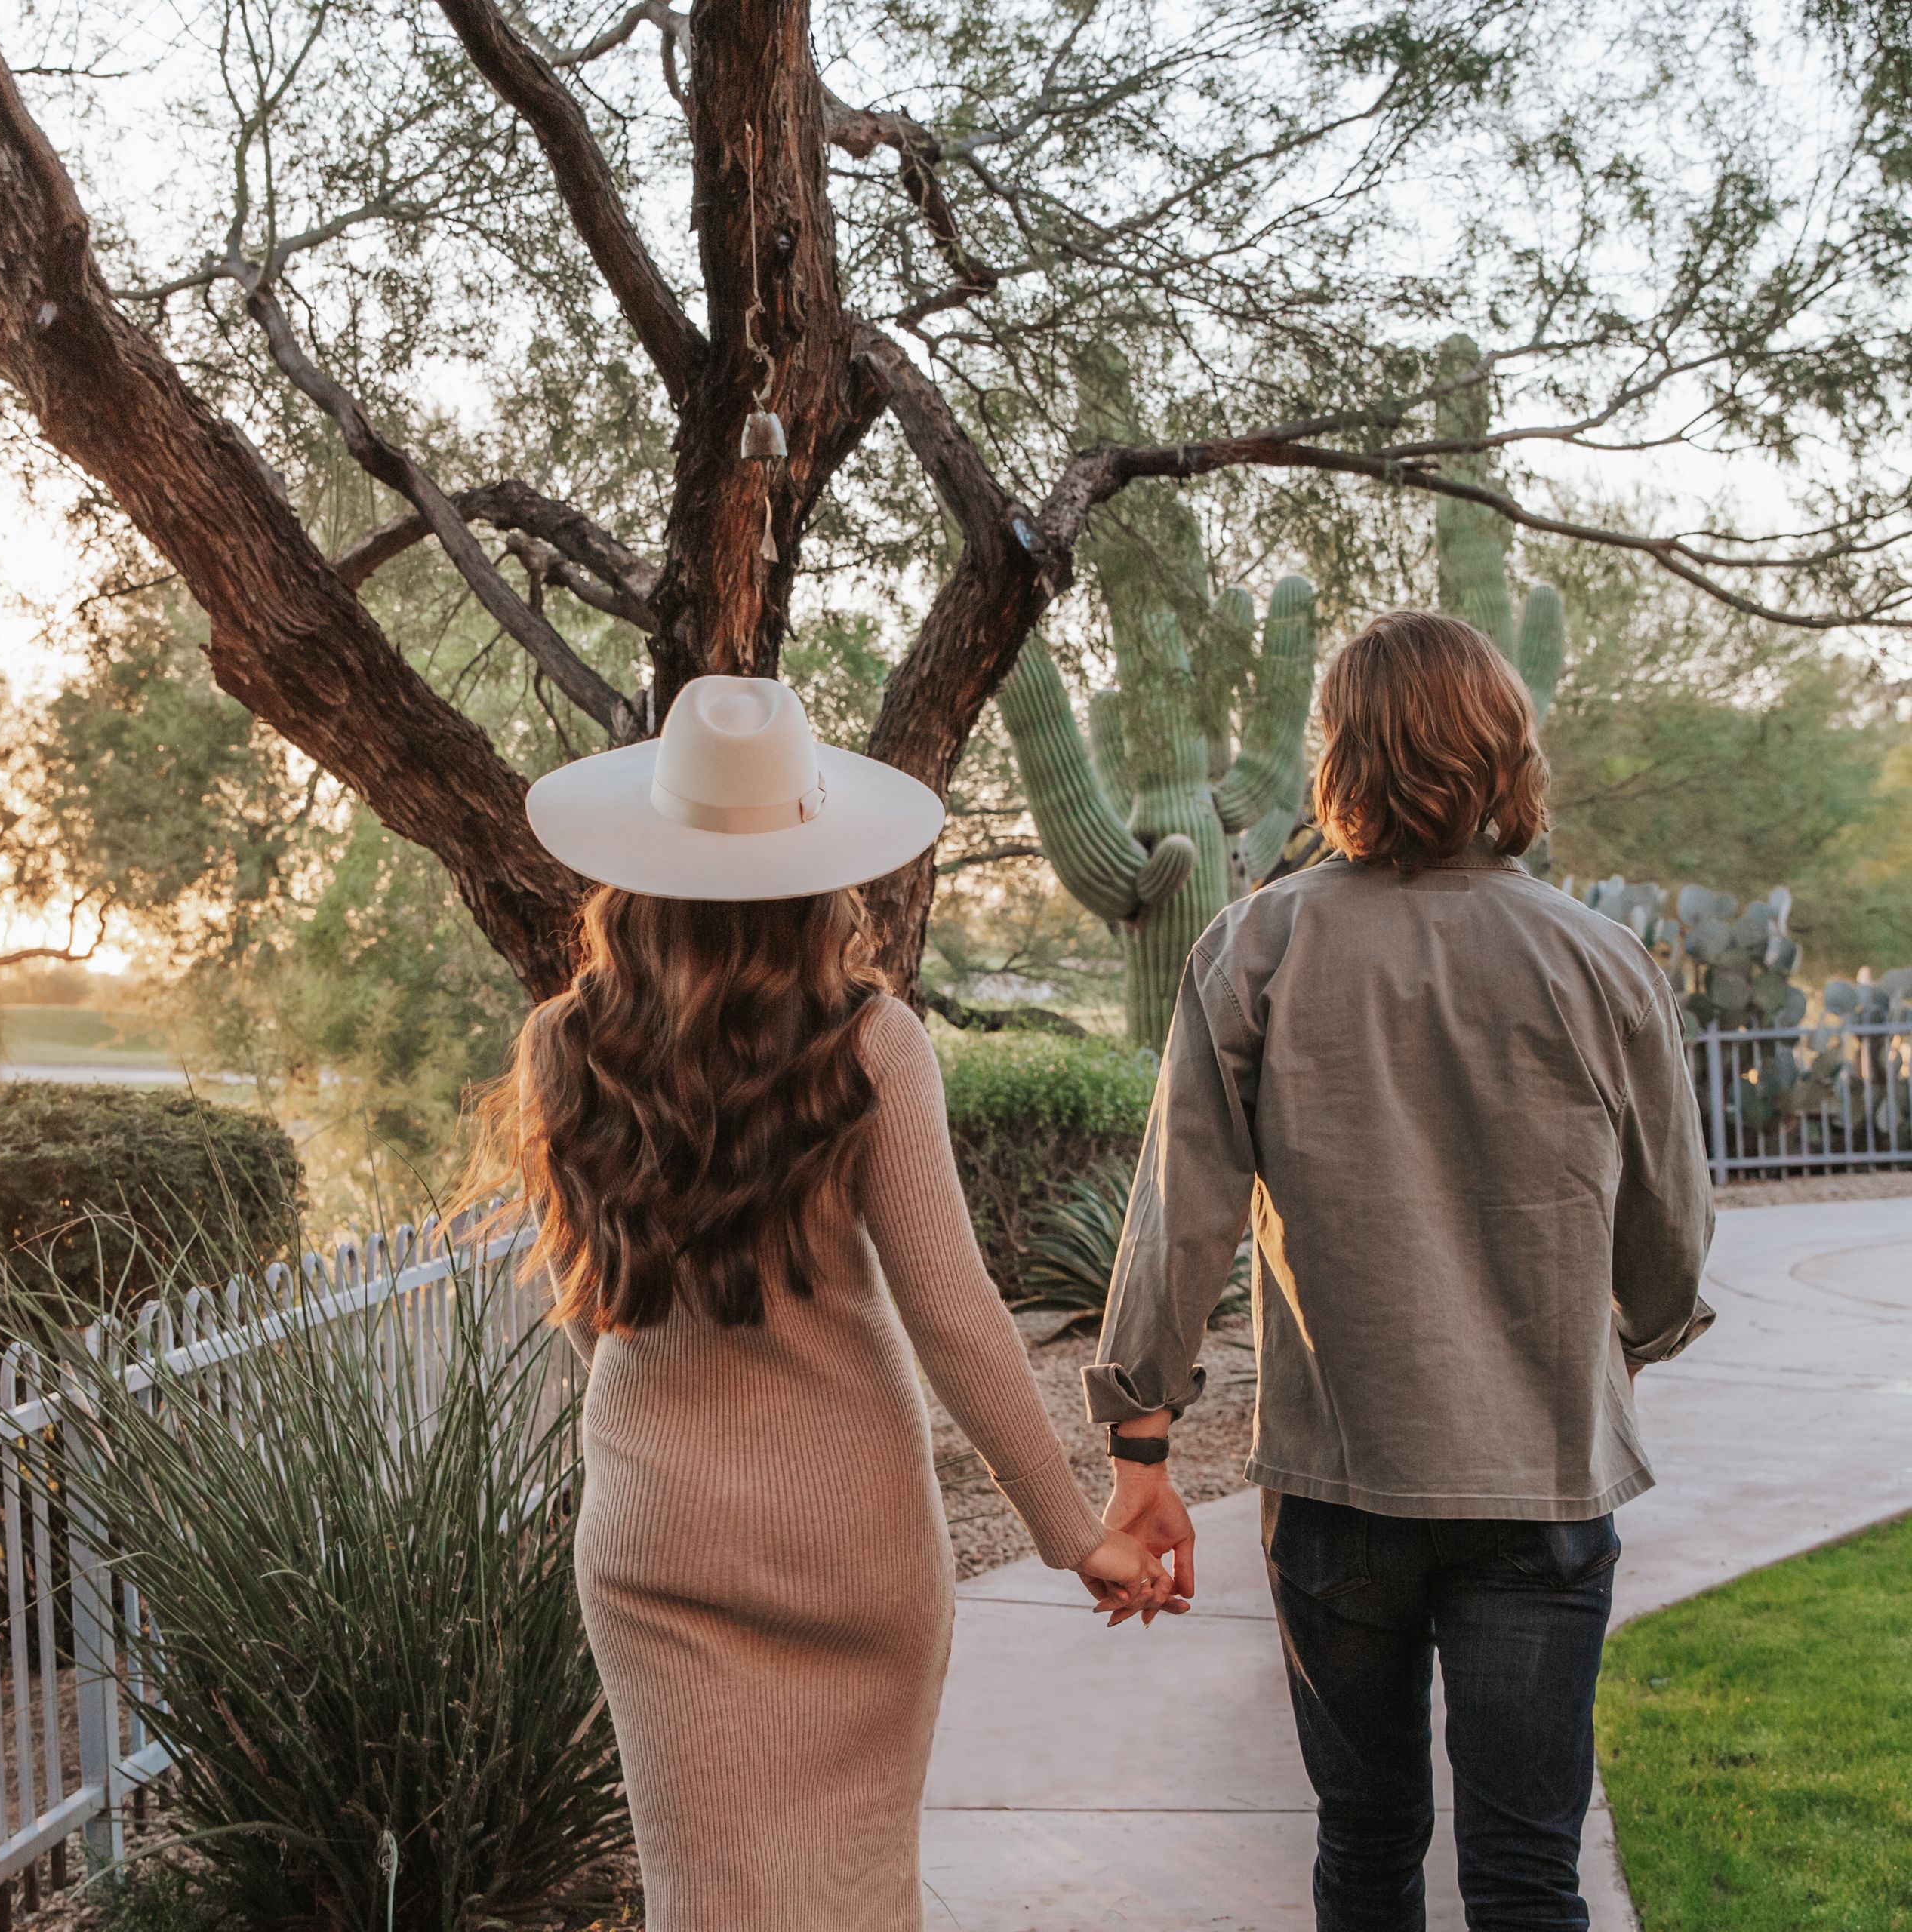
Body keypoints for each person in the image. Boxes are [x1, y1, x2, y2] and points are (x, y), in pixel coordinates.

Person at [489, 673, 1174, 1932]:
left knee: (708, 1908)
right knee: (854, 1900)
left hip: (660, 1549)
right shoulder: (871, 1046)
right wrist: (1073, 1531)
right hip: (851, 1553)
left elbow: (599, 1313)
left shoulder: (567, 1045)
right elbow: (957, 1314)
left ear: (643, 864)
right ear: (821, 869)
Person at [1086, 611, 1716, 1931]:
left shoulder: (1253, 949)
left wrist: (1139, 1445)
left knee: (1366, 1851)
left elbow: (1174, 1222)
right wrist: (1603, 1347)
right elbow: (1669, 1252)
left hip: (1341, 1488)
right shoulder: (1605, 963)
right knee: (1529, 1870)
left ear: (1338, 760)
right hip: (1544, 1478)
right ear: (1508, 750)